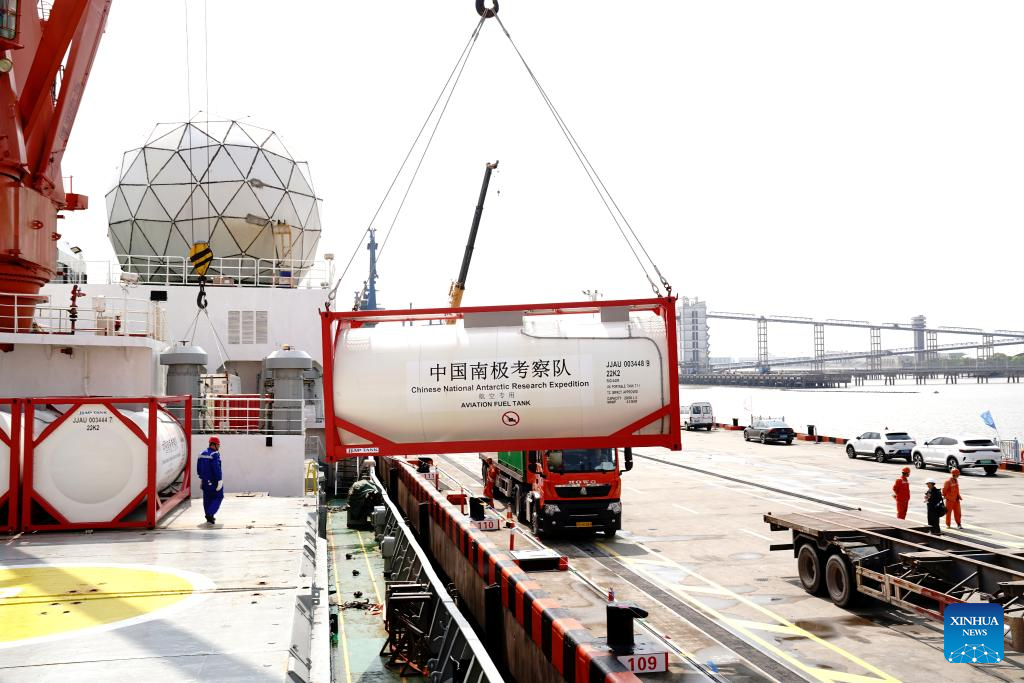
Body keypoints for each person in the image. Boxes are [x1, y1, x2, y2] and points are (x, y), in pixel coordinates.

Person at [197, 436, 224, 524]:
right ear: (214, 444)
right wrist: (219, 480)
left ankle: (209, 517)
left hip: (205, 481)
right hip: (214, 481)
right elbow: (216, 468)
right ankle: (210, 513)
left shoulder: (201, 453)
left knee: (207, 498)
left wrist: (201, 479)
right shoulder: (214, 454)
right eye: (218, 445)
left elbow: (199, 468)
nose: (219, 447)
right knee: (219, 496)